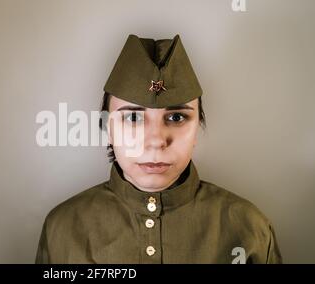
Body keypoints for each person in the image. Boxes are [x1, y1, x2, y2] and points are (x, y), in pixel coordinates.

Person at [35, 34, 283, 264]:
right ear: (108, 129)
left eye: (176, 118)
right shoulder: (62, 229)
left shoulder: (249, 229)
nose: (155, 140)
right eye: (133, 118)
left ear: (197, 127)